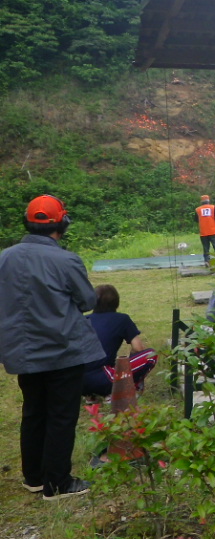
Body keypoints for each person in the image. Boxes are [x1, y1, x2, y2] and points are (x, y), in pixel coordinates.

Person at [0, 195, 105, 499]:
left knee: (34, 411)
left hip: (23, 352)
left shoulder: (5, 258)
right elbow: (87, 301)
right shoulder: (66, 260)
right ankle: (57, 484)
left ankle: (33, 477)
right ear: (63, 222)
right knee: (61, 415)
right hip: (63, 351)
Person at [82, 285, 158, 397]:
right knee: (150, 354)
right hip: (105, 378)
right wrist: (130, 358)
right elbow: (138, 348)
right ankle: (131, 388)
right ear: (116, 302)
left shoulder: (84, 320)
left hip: (77, 381)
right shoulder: (122, 319)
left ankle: (90, 396)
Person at [195, 194, 215, 266]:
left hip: (203, 232)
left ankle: (207, 261)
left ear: (201, 202)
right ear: (208, 201)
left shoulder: (198, 209)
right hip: (213, 231)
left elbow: (196, 220)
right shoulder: (214, 207)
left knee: (206, 248)